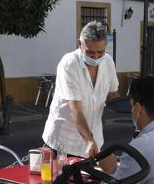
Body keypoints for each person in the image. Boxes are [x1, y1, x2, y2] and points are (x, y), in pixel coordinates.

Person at [42, 21, 119, 158]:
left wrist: (130, 104)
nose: (96, 57)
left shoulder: (108, 62)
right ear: (79, 44)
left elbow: (112, 94)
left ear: (105, 46)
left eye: (100, 52)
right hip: (63, 142)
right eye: (90, 53)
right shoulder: (69, 63)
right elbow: (75, 110)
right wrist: (89, 140)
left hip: (95, 140)